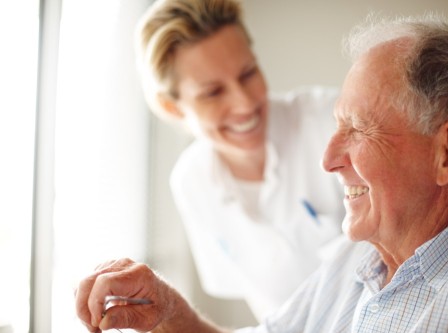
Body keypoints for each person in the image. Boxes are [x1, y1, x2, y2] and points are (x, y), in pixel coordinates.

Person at [75, 16, 448, 333]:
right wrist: (167, 308)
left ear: (446, 153)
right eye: (213, 91)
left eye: (357, 129)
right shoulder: (356, 259)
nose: (328, 158)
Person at [134, 0, 345, 318]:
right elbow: (266, 307)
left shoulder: (331, 122)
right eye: (213, 92)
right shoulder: (191, 182)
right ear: (172, 108)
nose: (245, 103)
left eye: (248, 73)